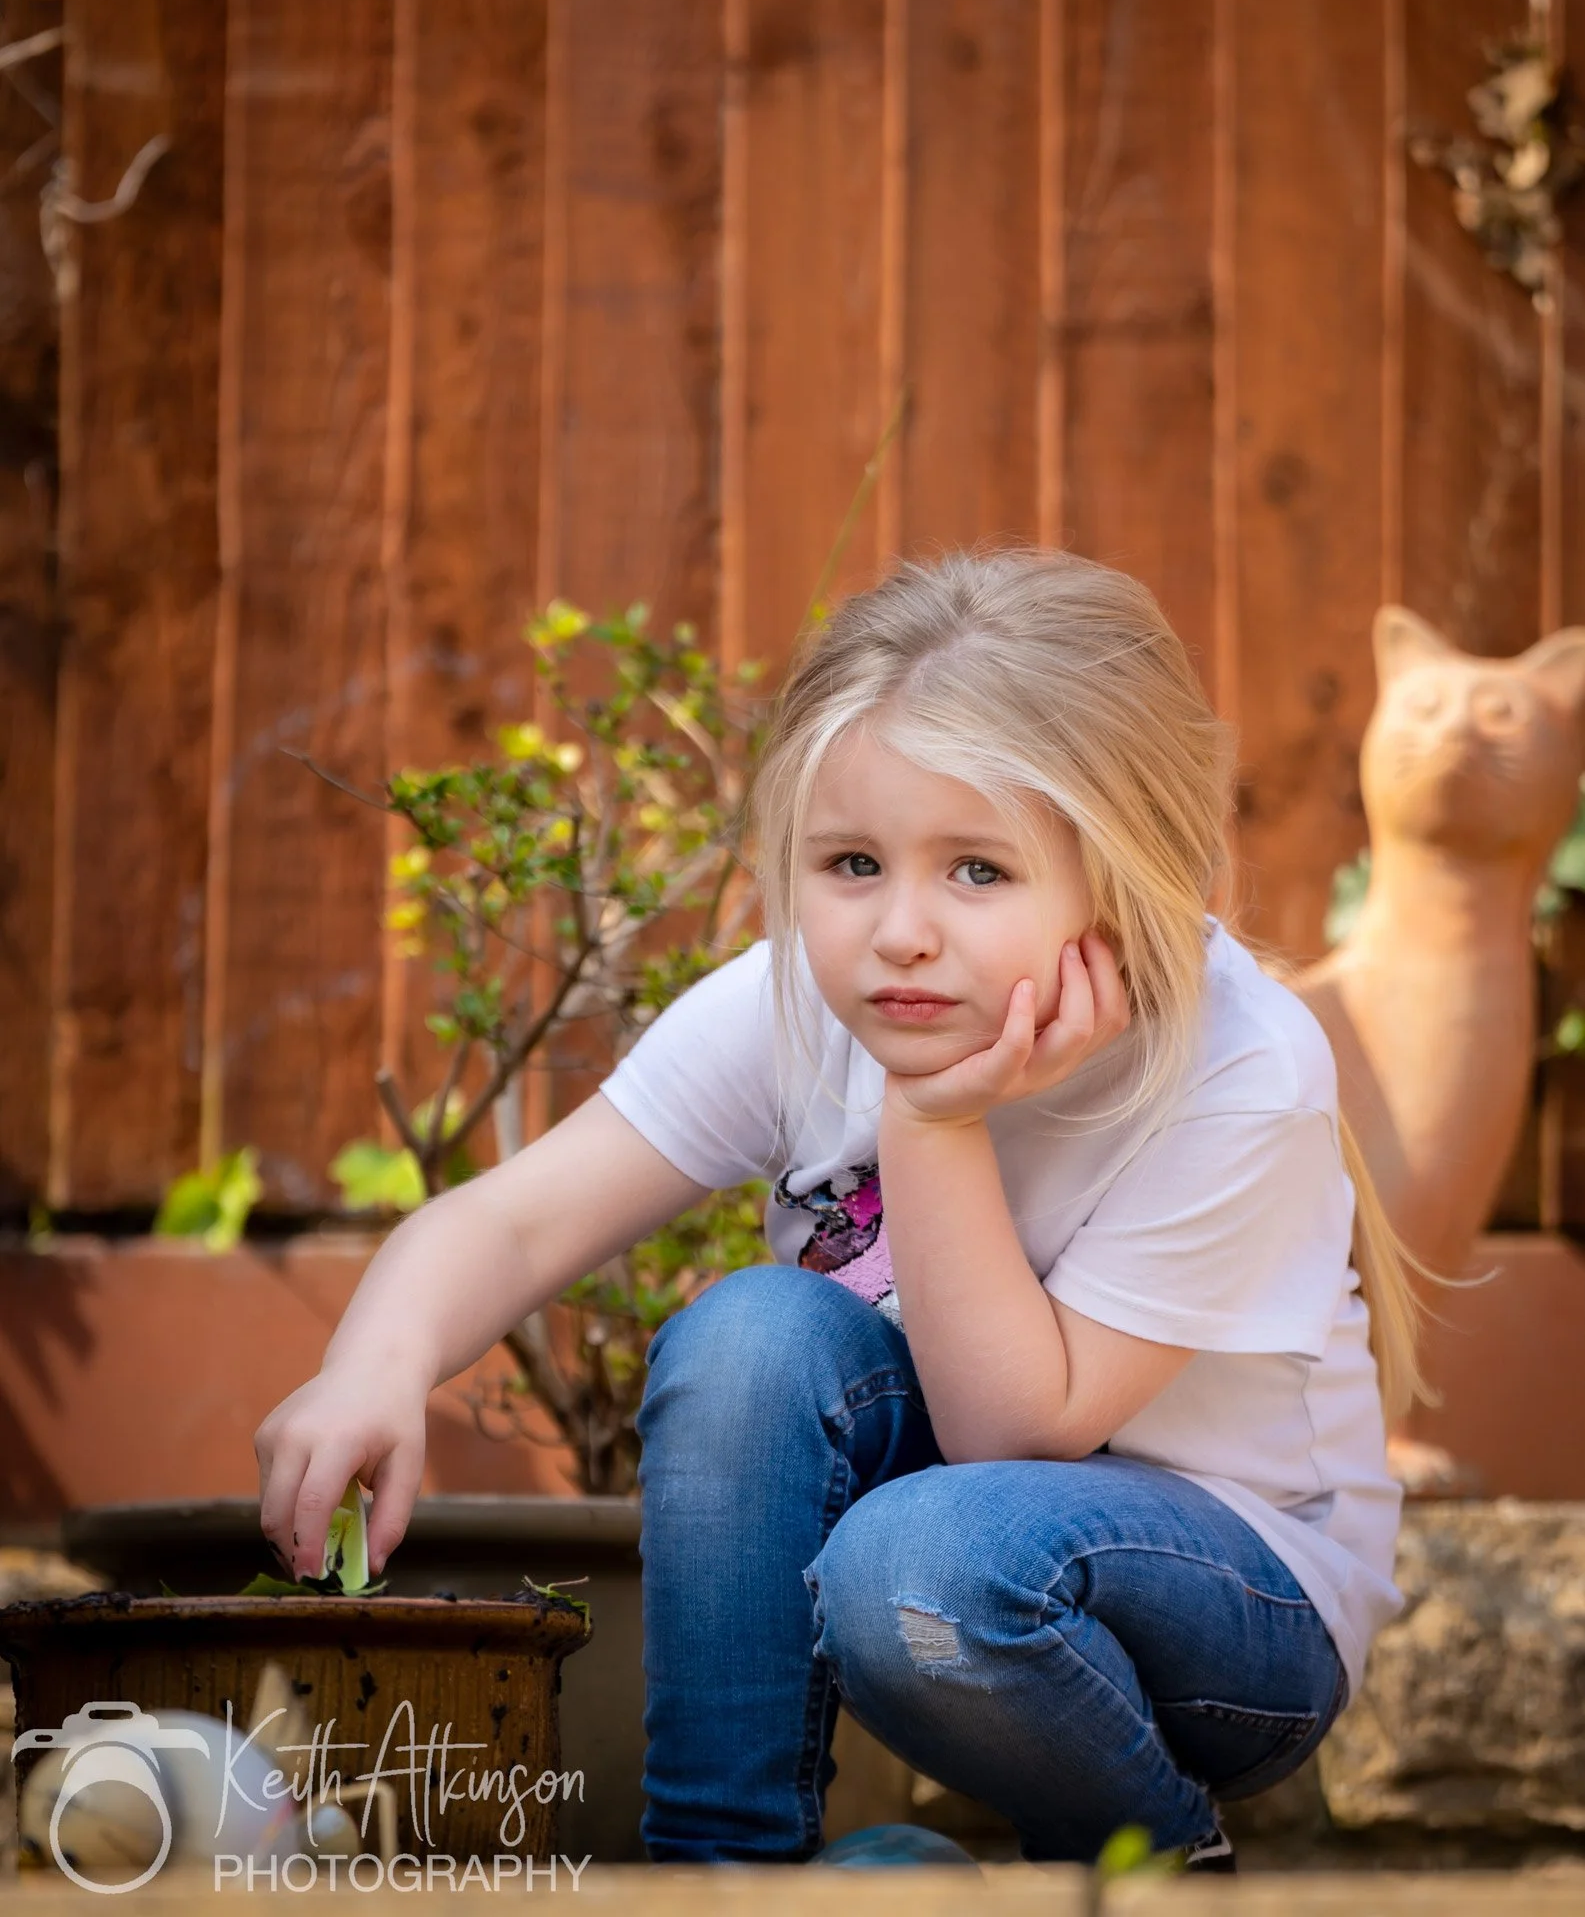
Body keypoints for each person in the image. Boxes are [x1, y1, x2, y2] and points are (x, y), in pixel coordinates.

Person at [255, 547, 1417, 1871]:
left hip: (1241, 1607)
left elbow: (1009, 1430)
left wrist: (929, 1121)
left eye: (978, 871)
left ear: (1119, 870)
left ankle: (1159, 1873)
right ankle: (728, 1880)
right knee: (752, 1340)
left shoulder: (1234, 1066)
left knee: (911, 1567)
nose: (901, 931)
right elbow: (514, 1221)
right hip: (951, 1555)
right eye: (853, 862)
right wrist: (378, 1366)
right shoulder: (796, 1005)